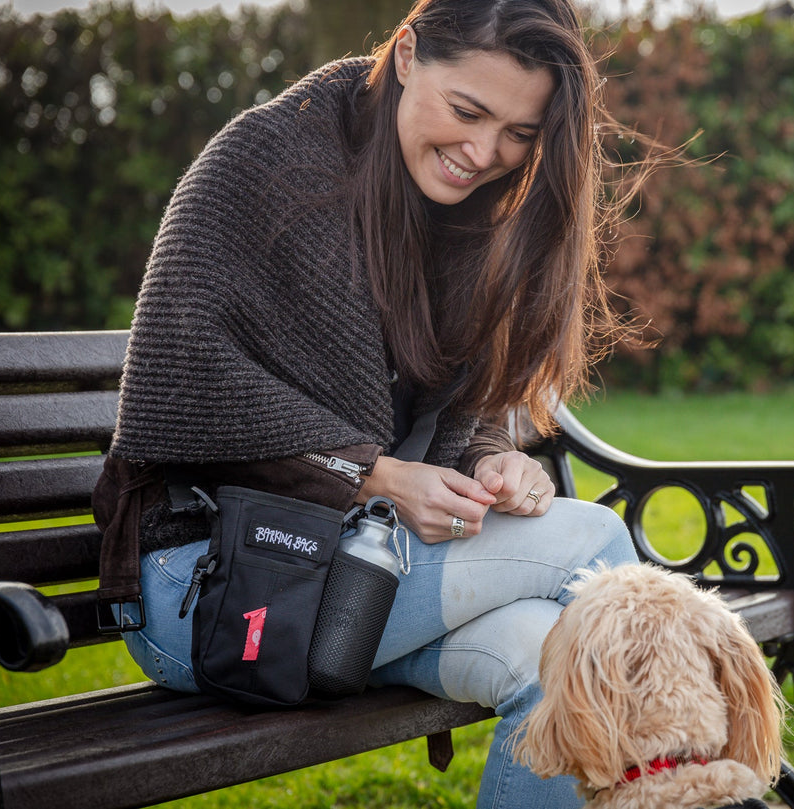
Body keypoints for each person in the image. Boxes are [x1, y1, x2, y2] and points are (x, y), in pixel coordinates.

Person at [96, 1, 649, 806]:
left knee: (550, 660)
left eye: (519, 135)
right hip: (209, 591)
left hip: (355, 578)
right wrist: (376, 477)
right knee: (593, 535)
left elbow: (438, 389)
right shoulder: (265, 159)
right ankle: (696, 774)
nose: (483, 152)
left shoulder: (457, 204)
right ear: (408, 51)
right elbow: (180, 382)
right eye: (467, 111)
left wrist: (492, 457)